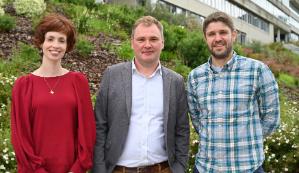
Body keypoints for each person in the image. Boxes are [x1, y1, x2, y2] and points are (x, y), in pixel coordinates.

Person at [92, 16, 189, 173]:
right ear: (132, 43)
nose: (147, 45)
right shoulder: (112, 75)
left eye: (153, 39)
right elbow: (99, 125)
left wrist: (179, 168)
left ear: (162, 43)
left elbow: (182, 129)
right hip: (119, 170)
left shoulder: (175, 81)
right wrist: (100, 169)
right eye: (141, 39)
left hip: (162, 169)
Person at [187, 11, 280, 173]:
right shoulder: (195, 77)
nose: (217, 38)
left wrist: (248, 139)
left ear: (234, 35)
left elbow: (272, 118)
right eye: (211, 34)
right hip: (206, 168)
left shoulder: (257, 70)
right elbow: (197, 119)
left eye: (223, 32)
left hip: (248, 167)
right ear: (205, 38)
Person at [11, 13, 96, 173]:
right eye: (50, 39)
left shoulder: (78, 82)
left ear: (67, 45)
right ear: (41, 42)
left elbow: (87, 131)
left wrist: (77, 169)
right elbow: (20, 137)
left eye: (61, 40)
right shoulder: (23, 86)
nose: (55, 45)